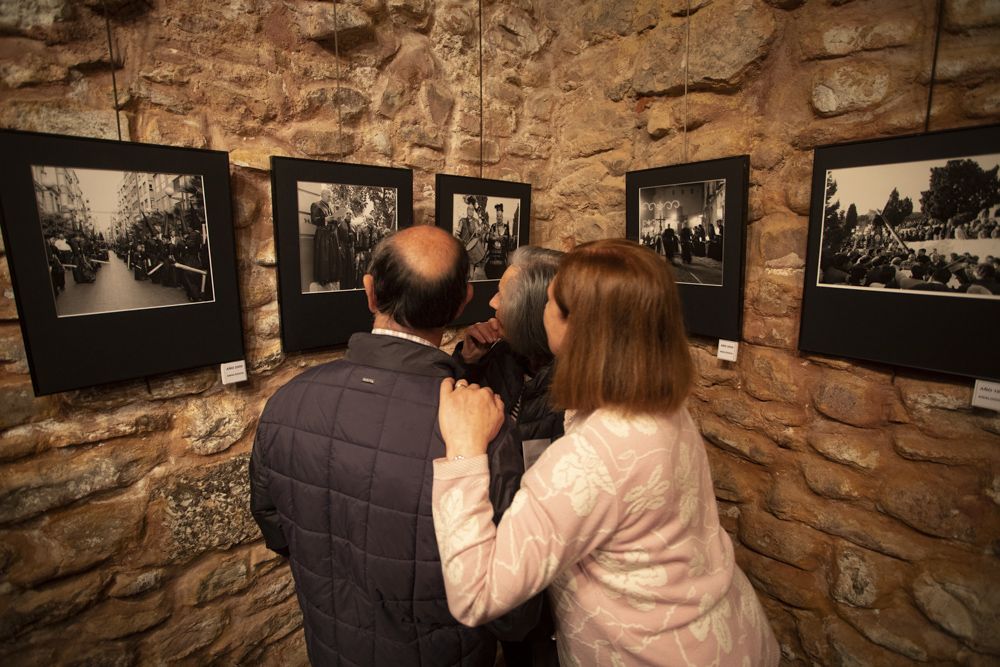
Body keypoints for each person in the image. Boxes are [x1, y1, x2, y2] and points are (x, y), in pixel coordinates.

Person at [432, 239, 779, 666]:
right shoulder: (659, 401)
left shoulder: (588, 458)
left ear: (574, 326)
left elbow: (477, 594)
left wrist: (464, 451)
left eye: (552, 301)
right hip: (725, 633)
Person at [250, 225, 535, 666]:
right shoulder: (483, 432)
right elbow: (510, 604)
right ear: (463, 301)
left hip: (332, 647)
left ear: (369, 292)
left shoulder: (288, 400)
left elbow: (277, 526)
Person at [455, 245, 565, 666]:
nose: (492, 302)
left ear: (534, 311)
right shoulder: (500, 353)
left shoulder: (576, 384)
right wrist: (467, 362)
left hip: (547, 557)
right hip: (499, 533)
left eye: (503, 295)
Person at [308, 186, 340, 288]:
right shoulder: (316, 205)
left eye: (331, 196)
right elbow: (314, 220)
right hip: (322, 236)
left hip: (331, 236)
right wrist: (326, 219)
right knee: (324, 258)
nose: (330, 197)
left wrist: (337, 219)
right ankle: (323, 279)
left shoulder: (330, 206)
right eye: (328, 195)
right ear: (322, 195)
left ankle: (330, 277)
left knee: (331, 257)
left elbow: (333, 221)